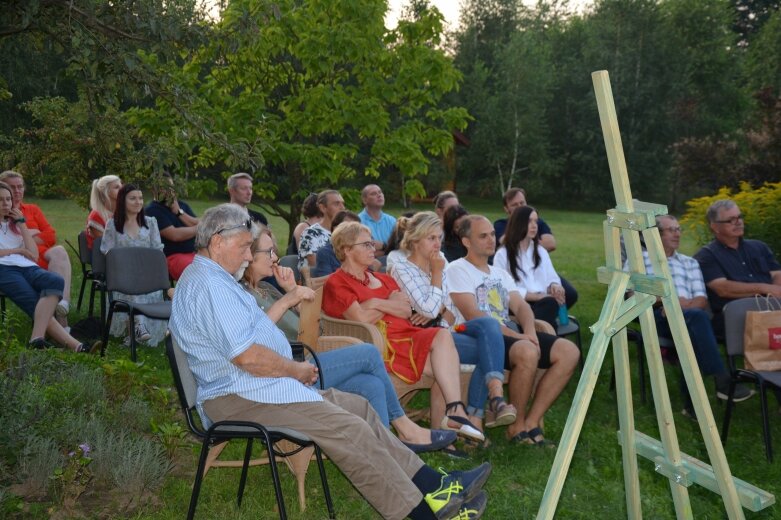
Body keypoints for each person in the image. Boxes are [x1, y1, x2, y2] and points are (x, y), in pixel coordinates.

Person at [169, 203, 491, 520]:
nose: (248, 255)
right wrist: (295, 369)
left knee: (360, 409)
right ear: (216, 242)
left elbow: (252, 343)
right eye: (243, 247)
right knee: (347, 428)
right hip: (239, 396)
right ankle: (420, 514)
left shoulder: (216, 278)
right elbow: (248, 357)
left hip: (259, 386)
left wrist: (290, 367)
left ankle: (435, 487)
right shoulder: (210, 285)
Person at [239, 226, 456, 453]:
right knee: (369, 353)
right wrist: (287, 300)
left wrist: (291, 291)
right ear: (248, 255)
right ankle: (405, 429)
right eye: (269, 252)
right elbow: (254, 341)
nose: (275, 257)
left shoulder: (267, 289)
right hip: (284, 371)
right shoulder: (242, 295)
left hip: (307, 359)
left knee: (371, 384)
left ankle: (385, 452)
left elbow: (314, 326)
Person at [321, 221, 484, 442]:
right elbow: (361, 320)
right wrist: (387, 301)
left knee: (443, 341)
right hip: (382, 346)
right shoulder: (337, 283)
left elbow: (406, 310)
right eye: (366, 245)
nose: (373, 248)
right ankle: (450, 424)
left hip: (409, 337)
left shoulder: (383, 278)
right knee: (446, 365)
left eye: (372, 243)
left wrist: (373, 304)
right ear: (347, 250)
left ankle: (450, 421)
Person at [445, 215, 580, 446]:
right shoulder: (458, 269)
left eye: (492, 234)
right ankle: (515, 428)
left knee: (569, 351)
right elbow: (473, 315)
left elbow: (521, 306)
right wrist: (521, 337)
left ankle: (531, 421)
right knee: (527, 351)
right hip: (482, 337)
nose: (491, 240)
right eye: (483, 236)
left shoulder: (499, 273)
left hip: (511, 334)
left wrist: (529, 331)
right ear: (466, 241)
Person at [391, 212, 517, 432]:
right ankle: (478, 416)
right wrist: (437, 278)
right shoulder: (402, 268)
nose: (437, 244)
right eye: (431, 238)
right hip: (421, 340)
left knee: (488, 327)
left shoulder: (440, 260)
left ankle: (491, 403)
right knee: (486, 348)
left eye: (439, 237)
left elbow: (450, 307)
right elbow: (431, 308)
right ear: (414, 240)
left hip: (445, 332)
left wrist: (437, 308)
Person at [628, 215, 753, 408]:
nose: (677, 234)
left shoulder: (689, 262)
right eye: (672, 230)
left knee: (695, 323)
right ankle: (722, 381)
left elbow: (701, 299)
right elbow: (630, 295)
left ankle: (693, 407)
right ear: (655, 235)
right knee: (697, 325)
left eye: (679, 229)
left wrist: (680, 308)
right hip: (655, 315)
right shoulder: (639, 260)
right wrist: (666, 301)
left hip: (690, 315)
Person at [0, 182, 97, 353]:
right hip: (5, 269)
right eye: (1, 200)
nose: (6, 203)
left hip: (27, 266)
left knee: (55, 281)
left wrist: (22, 224)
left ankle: (36, 339)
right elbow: (22, 251)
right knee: (35, 301)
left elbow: (34, 254)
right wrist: (18, 250)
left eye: (8, 199)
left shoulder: (15, 226)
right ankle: (76, 346)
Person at [694, 199, 781, 337]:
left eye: (739, 217)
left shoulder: (759, 247)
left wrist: (774, 298)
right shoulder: (706, 256)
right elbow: (723, 288)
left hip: (772, 307)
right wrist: (765, 288)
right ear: (715, 227)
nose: (738, 222)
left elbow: (777, 274)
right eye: (731, 220)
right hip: (735, 314)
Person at [0, 170, 74, 324]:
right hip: (20, 262)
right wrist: (28, 234)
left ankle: (62, 305)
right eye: (12, 187)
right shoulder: (5, 215)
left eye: (20, 186)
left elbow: (51, 235)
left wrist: (30, 236)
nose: (17, 191)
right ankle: (60, 327)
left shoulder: (32, 209)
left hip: (40, 256)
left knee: (59, 251)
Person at [100, 184, 166, 346]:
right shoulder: (113, 224)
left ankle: (138, 328)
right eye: (133, 198)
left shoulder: (150, 223)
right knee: (131, 283)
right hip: (123, 276)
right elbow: (107, 251)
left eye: (140, 198)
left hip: (147, 275)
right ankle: (139, 326)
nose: (138, 202)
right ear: (123, 201)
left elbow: (157, 251)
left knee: (139, 282)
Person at [493, 206, 565, 330]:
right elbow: (502, 289)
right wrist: (536, 296)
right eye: (529, 221)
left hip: (543, 303)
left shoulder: (540, 251)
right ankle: (538, 334)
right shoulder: (503, 254)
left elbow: (552, 277)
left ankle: (533, 334)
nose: (534, 225)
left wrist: (555, 286)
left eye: (535, 221)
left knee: (550, 304)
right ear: (518, 223)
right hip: (517, 304)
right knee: (548, 310)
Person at [145, 172, 199, 280]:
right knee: (197, 272)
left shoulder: (181, 205)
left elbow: (197, 222)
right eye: (163, 187)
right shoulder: (152, 210)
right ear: (153, 189)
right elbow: (175, 235)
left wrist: (179, 212)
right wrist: (200, 229)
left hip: (194, 254)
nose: (168, 190)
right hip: (171, 257)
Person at [312, 210, 373, 278]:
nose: (356, 232)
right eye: (351, 229)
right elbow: (324, 282)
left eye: (357, 228)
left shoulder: (361, 249)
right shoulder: (325, 253)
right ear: (336, 229)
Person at [297, 189, 345, 269]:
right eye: (336, 204)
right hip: (316, 279)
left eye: (343, 204)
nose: (342, 208)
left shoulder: (345, 232)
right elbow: (316, 265)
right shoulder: (311, 233)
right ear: (322, 208)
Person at [85, 174, 122, 249]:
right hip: (103, 257)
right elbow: (107, 244)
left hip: (123, 252)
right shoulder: (96, 216)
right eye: (116, 187)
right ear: (106, 191)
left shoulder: (123, 212)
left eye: (121, 186)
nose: (122, 189)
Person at [359, 184, 396, 252]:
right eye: (373, 194)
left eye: (380, 192)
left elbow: (399, 247)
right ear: (365, 200)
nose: (379, 195)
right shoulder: (358, 222)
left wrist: (383, 246)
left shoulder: (392, 221)